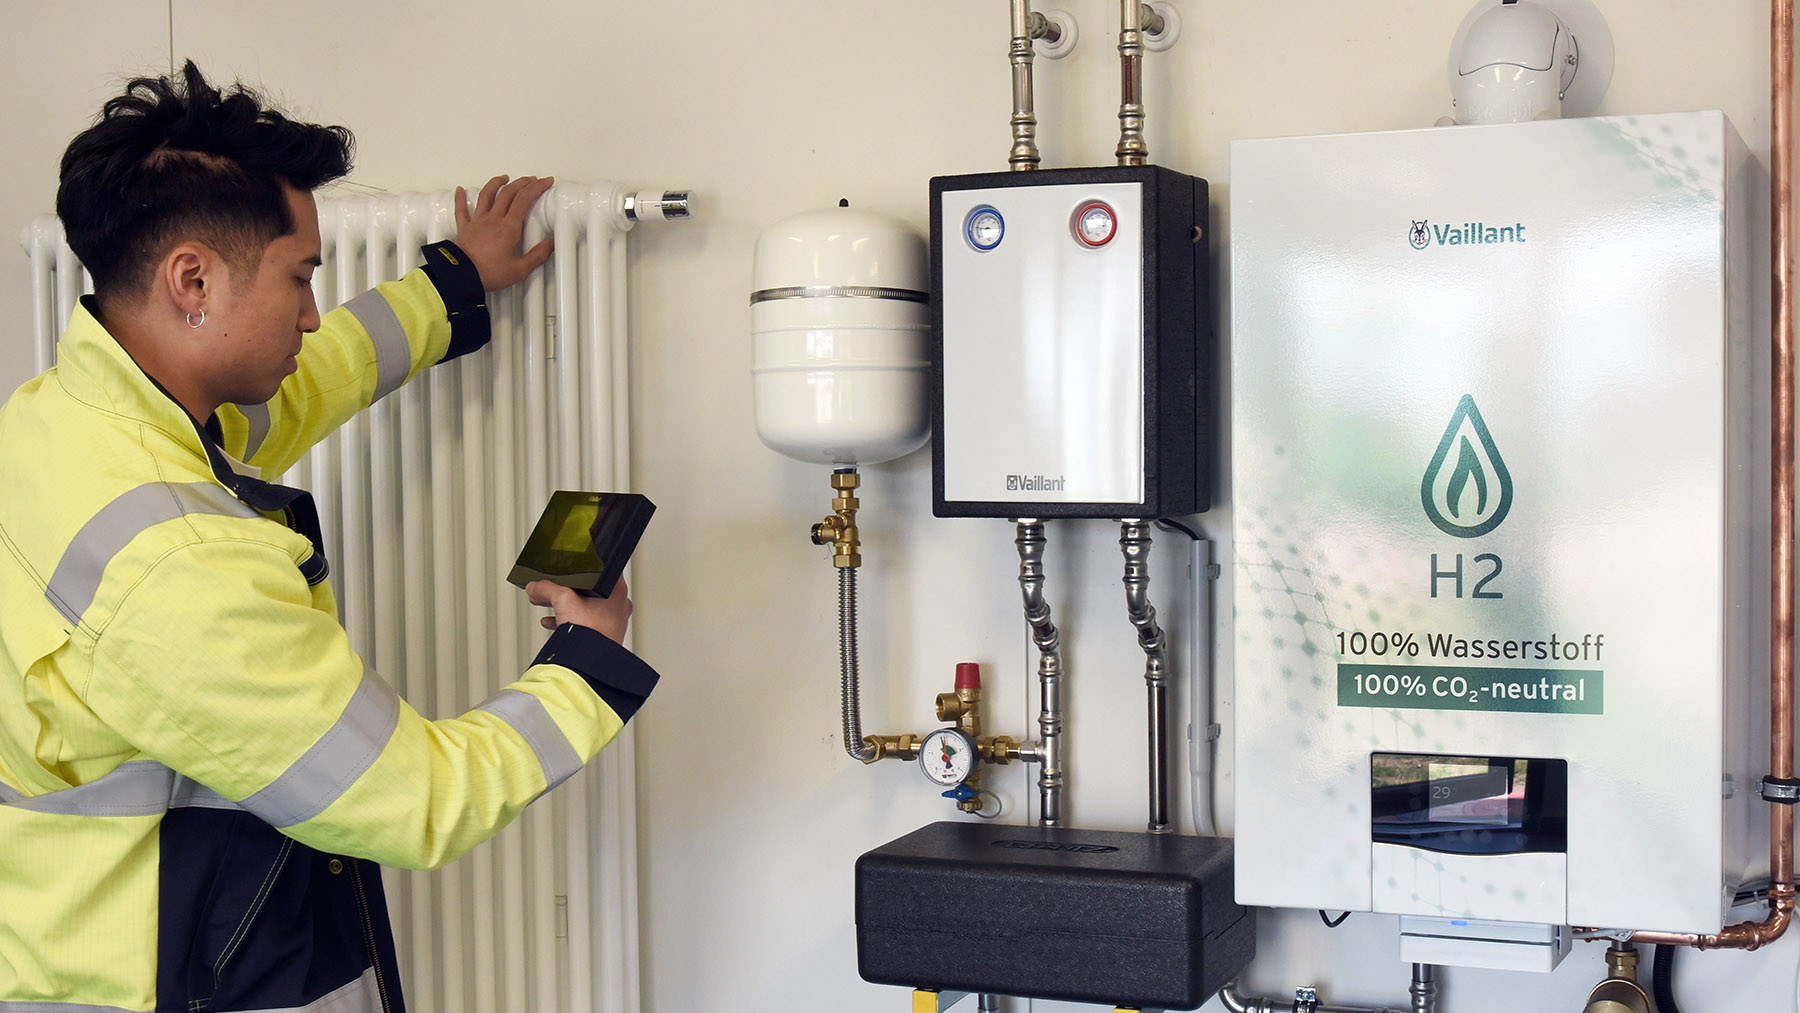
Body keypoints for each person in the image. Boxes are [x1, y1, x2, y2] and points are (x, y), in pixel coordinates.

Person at [0, 62, 658, 1013]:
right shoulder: (176, 567)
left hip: (55, 943)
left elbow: (309, 381)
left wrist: (451, 287)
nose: (311, 313)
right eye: (300, 277)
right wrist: (587, 664)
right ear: (193, 279)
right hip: (153, 987)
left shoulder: (63, 418)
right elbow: (421, 797)